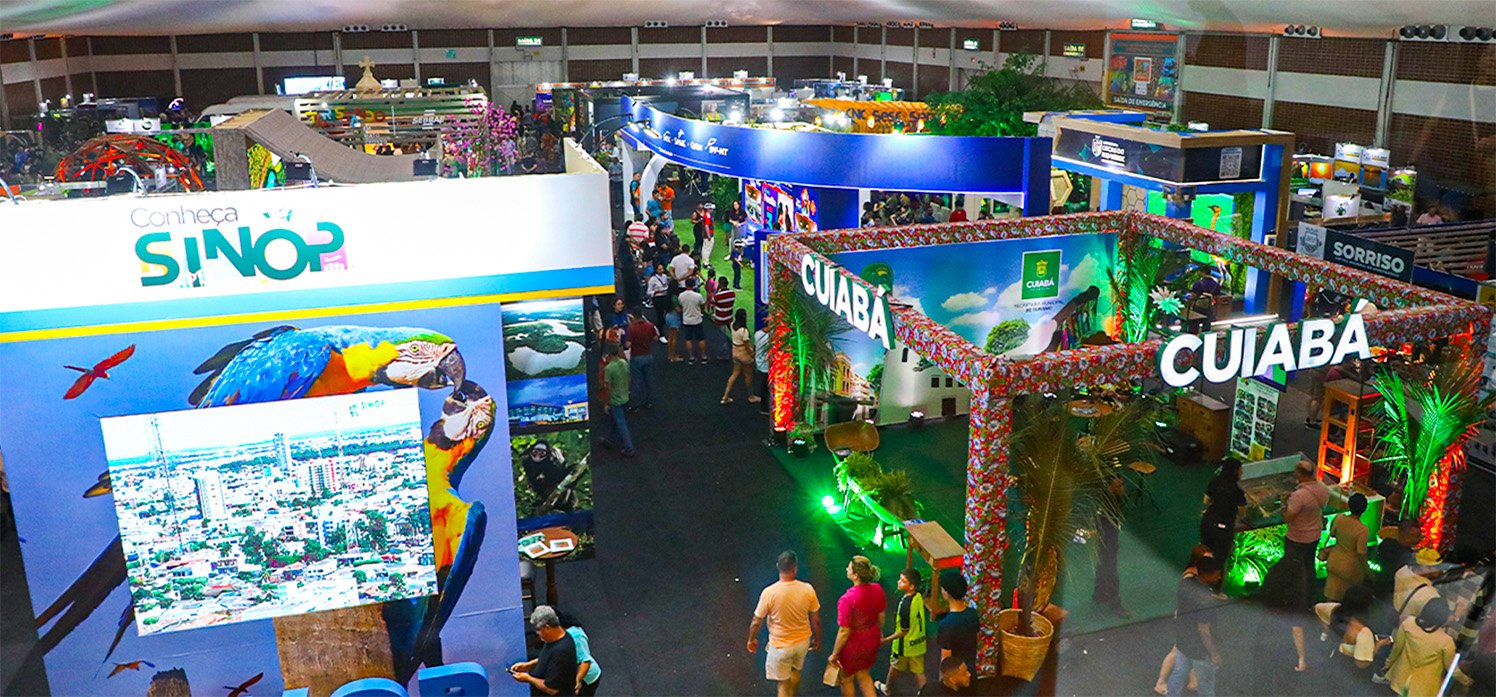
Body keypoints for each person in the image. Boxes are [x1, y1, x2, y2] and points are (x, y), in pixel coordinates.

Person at [748, 551, 822, 697]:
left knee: (783, 685)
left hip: (780, 646)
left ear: (778, 566)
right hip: (802, 642)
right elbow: (816, 620)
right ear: (795, 568)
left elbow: (756, 621)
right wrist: (818, 639)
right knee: (795, 671)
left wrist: (751, 639)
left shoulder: (769, 593)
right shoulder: (808, 589)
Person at [1384, 598, 1471, 695]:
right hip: (1423, 690)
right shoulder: (1446, 641)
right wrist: (1466, 680)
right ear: (1443, 618)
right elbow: (1451, 669)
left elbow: (1396, 649)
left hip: (1400, 680)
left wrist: (1388, 664)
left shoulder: (1408, 623)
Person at [1251, 558, 1311, 696]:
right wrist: (1302, 656)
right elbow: (1296, 629)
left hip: (1265, 634)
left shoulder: (1269, 588)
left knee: (1262, 680)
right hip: (1285, 643)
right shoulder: (1296, 595)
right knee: (1286, 685)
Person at [1165, 555, 1223, 697]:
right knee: (1206, 685)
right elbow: (1204, 630)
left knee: (1178, 673)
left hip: (1183, 641)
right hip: (1200, 650)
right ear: (1206, 574)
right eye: (1216, 574)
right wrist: (1214, 653)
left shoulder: (1185, 583)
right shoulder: (1206, 601)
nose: (1219, 577)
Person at [831, 556, 886, 697]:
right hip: (871, 640)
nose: (846, 569)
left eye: (849, 568)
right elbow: (881, 617)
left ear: (855, 575)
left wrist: (835, 654)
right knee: (864, 675)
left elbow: (844, 631)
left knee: (847, 680)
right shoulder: (878, 589)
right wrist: (877, 632)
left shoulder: (847, 599)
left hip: (853, 646)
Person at [877, 568, 928, 695]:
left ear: (911, 586)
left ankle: (887, 689)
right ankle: (926, 694)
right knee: (919, 672)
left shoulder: (905, 605)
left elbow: (903, 631)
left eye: (903, 581)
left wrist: (885, 640)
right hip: (918, 644)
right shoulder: (918, 597)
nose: (898, 582)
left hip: (903, 646)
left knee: (894, 666)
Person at [510, 605, 578, 696]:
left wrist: (528, 678)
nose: (537, 633)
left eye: (538, 629)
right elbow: (548, 658)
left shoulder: (562, 651)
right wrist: (528, 665)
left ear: (547, 628)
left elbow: (552, 690)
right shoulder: (552, 639)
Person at [1282, 461, 1330, 580]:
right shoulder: (1323, 488)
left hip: (1297, 538)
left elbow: (1287, 517)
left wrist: (1284, 503)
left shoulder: (1299, 496)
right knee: (1309, 565)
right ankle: (1309, 587)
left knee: (1293, 569)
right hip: (1315, 535)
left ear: (1299, 474)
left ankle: (1295, 589)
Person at [1199, 459, 1246, 578]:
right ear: (1235, 472)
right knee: (1219, 559)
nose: (1242, 473)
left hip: (1208, 522)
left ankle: (1200, 577)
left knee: (1206, 552)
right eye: (1240, 471)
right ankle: (1215, 585)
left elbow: (1206, 500)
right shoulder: (1237, 491)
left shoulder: (1214, 481)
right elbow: (1242, 512)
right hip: (1223, 529)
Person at [1322, 493, 1371, 601]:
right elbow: (1361, 553)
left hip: (1333, 560)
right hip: (1349, 568)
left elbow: (1332, 534)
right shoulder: (1362, 530)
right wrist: (1368, 571)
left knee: (1330, 594)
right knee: (1345, 598)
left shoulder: (1339, 518)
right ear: (1364, 509)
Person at [935, 570, 978, 672]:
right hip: (970, 668)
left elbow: (945, 661)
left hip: (955, 674)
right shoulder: (973, 614)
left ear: (946, 593)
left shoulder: (946, 625)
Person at [600, 342, 635, 457]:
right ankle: (610, 439)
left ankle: (629, 448)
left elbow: (608, 388)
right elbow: (629, 378)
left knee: (621, 423)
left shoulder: (609, 369)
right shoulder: (624, 362)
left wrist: (606, 403)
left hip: (615, 400)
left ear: (608, 354)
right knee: (614, 419)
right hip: (625, 396)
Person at [722, 309, 759, 405]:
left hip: (735, 352)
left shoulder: (732, 325)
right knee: (748, 376)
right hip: (744, 354)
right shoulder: (744, 331)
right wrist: (753, 355)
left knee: (734, 374)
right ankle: (751, 396)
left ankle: (725, 396)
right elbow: (747, 346)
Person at [626, 308, 659, 411]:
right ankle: (649, 401)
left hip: (636, 357)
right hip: (648, 355)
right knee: (648, 379)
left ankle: (635, 403)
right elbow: (656, 338)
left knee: (637, 381)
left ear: (633, 316)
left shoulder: (632, 328)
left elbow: (628, 344)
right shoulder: (649, 326)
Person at [566, 624, 602, 696]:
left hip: (587, 677)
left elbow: (585, 661)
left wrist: (577, 681)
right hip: (585, 676)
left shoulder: (574, 636)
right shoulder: (574, 630)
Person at [678, 279, 708, 365]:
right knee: (701, 338)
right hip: (697, 320)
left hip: (687, 320)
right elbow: (702, 306)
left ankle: (691, 357)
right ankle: (703, 356)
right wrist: (701, 312)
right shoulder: (698, 296)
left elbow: (681, 305)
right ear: (694, 285)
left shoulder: (681, 296)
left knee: (688, 339)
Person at [709, 274, 736, 362]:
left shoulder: (718, 296)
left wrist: (717, 290)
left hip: (720, 318)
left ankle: (724, 354)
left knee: (722, 337)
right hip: (729, 316)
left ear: (720, 284)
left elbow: (712, 302)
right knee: (733, 335)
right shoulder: (732, 293)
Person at [754, 322, 772, 414]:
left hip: (759, 362)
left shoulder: (757, 333)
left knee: (764, 384)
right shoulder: (769, 337)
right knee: (765, 386)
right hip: (766, 365)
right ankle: (764, 407)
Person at [646, 264, 671, 331]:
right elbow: (648, 292)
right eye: (659, 269)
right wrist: (656, 292)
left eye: (662, 269)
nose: (661, 270)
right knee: (660, 316)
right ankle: (660, 330)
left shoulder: (665, 276)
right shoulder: (653, 279)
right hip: (657, 299)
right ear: (656, 270)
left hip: (665, 297)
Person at [663, 293, 683, 363]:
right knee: (674, 338)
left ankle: (670, 355)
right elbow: (678, 310)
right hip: (674, 317)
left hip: (668, 316)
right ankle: (673, 357)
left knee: (670, 337)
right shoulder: (674, 298)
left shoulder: (667, 296)